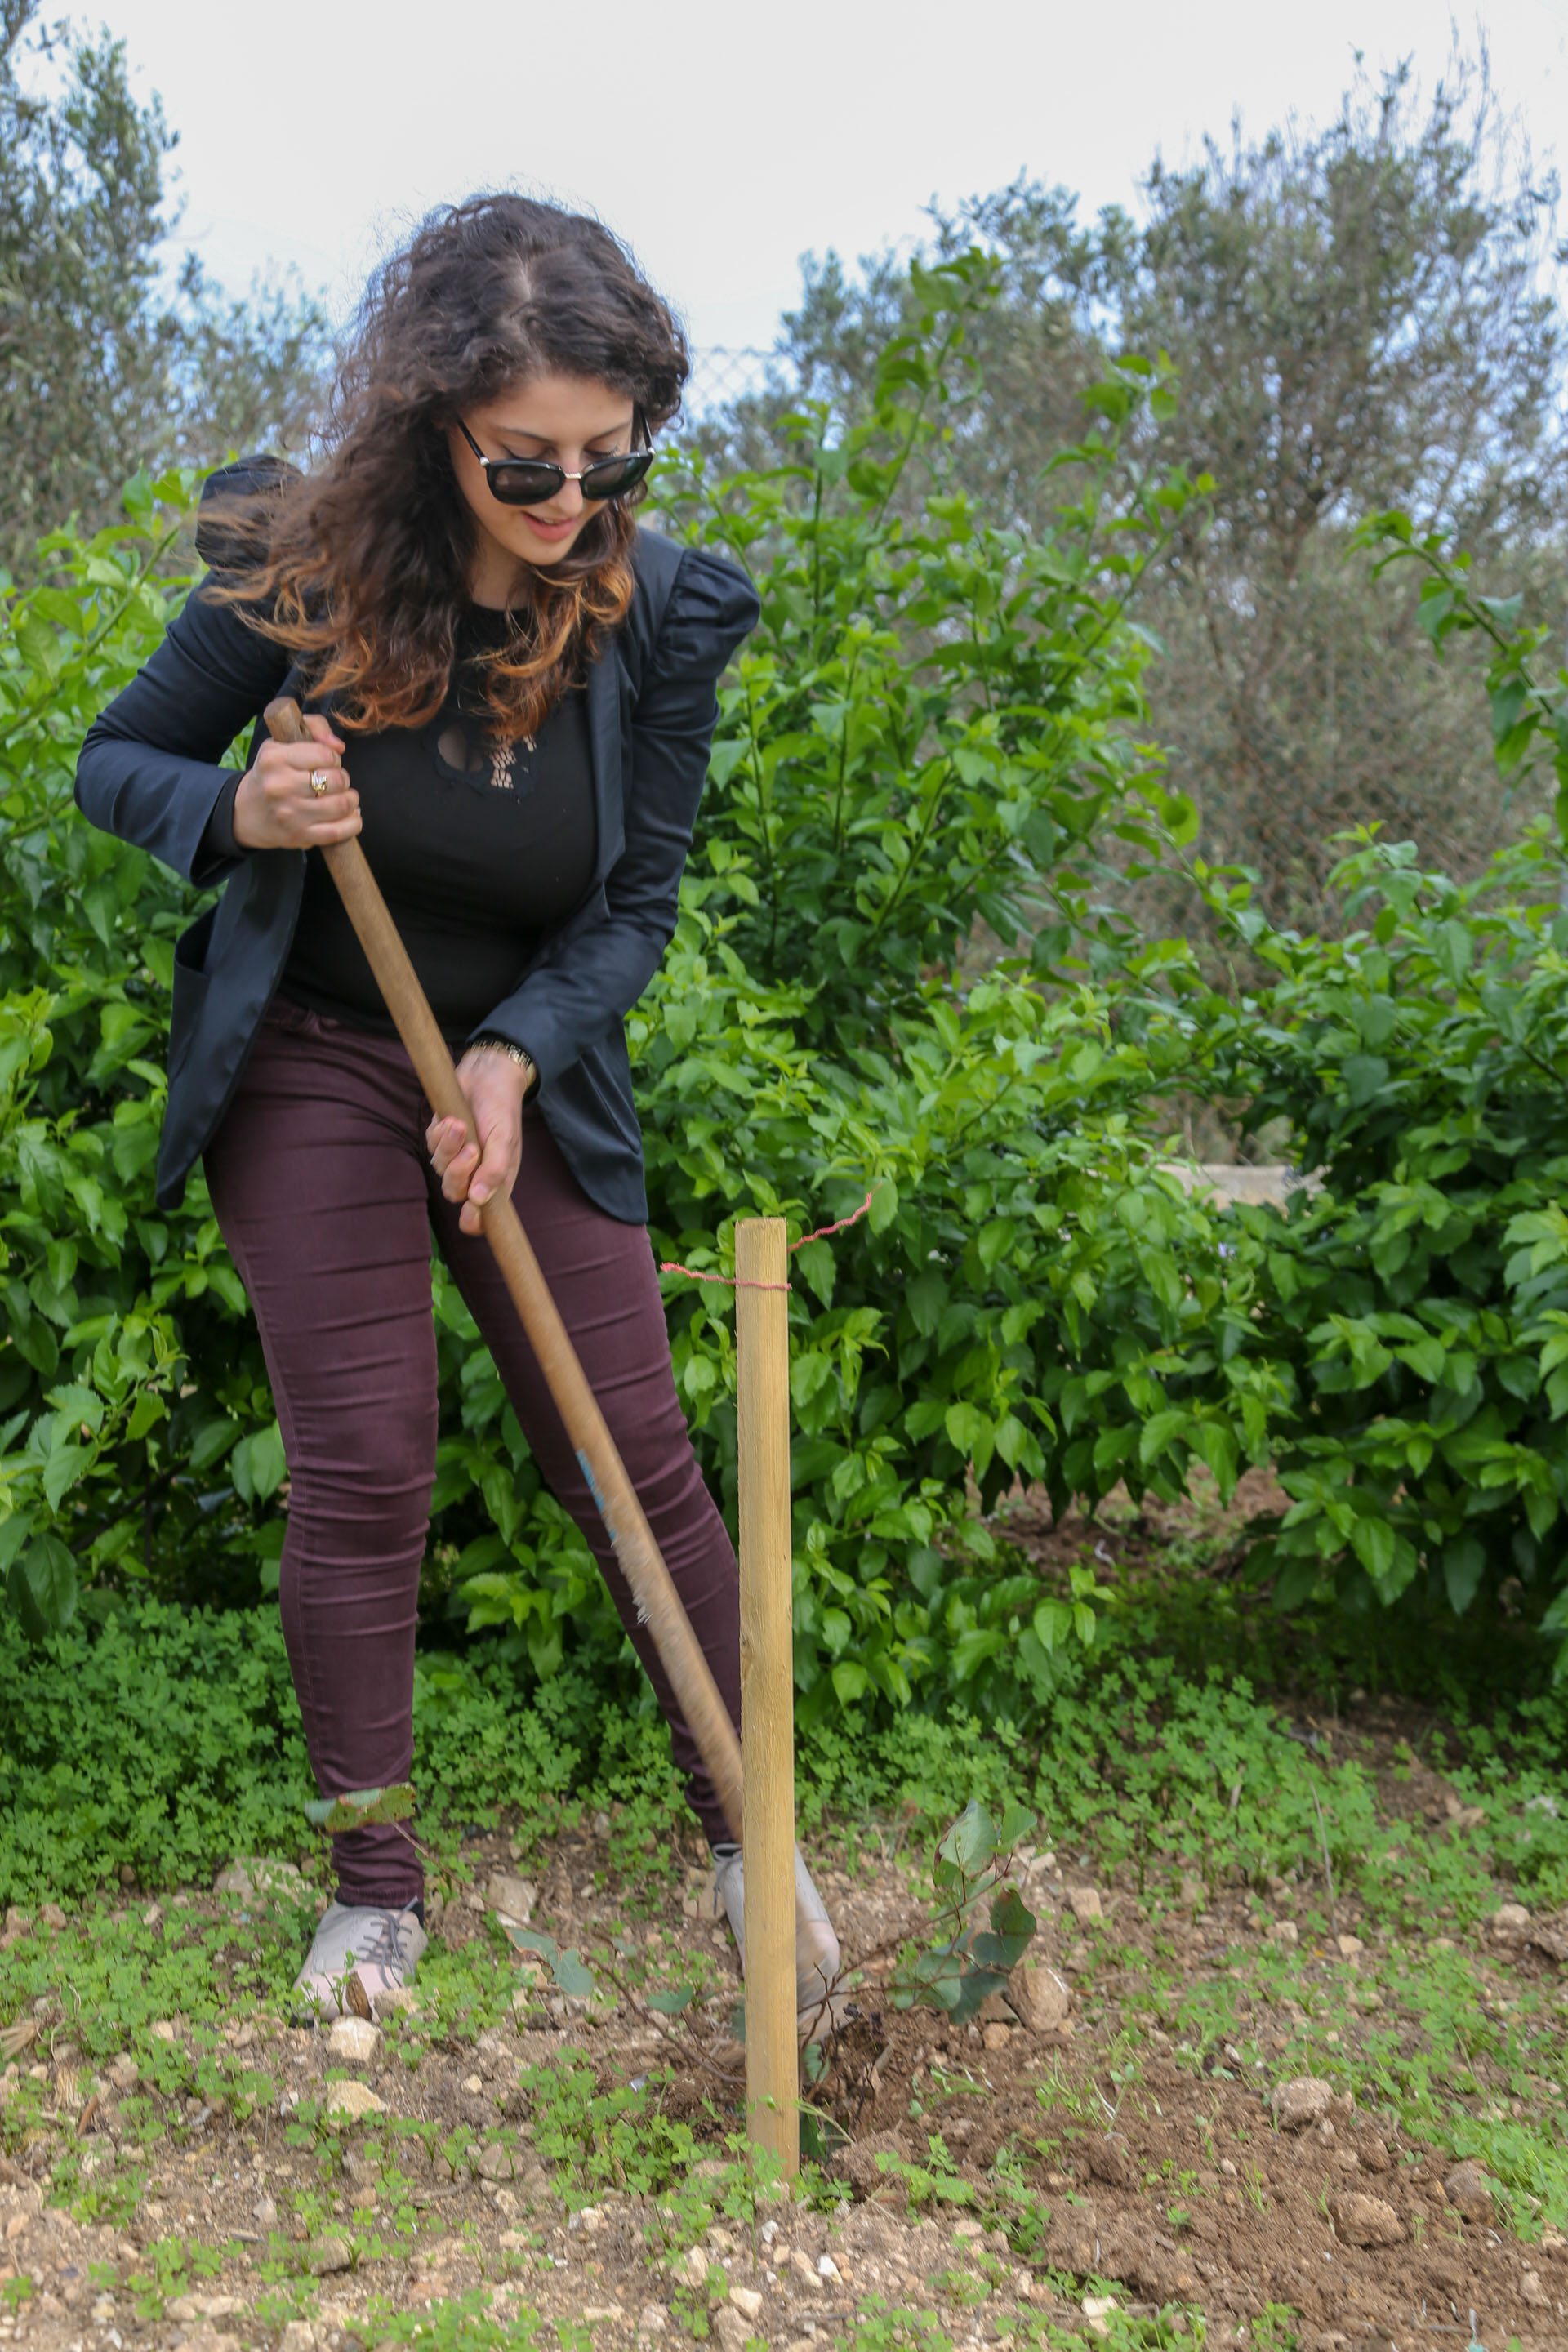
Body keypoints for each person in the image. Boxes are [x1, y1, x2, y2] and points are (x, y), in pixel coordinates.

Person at [75, 192, 839, 2016]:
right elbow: (118, 759)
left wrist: (514, 1055)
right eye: (527, 466)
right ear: (437, 426)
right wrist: (238, 815)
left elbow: (635, 908)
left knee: (635, 1460)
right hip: (318, 1057)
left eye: (609, 457)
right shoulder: (303, 566)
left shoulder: (657, 612)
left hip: (528, 1064)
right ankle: (375, 1892)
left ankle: (753, 1840)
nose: (573, 505)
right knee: (366, 1463)